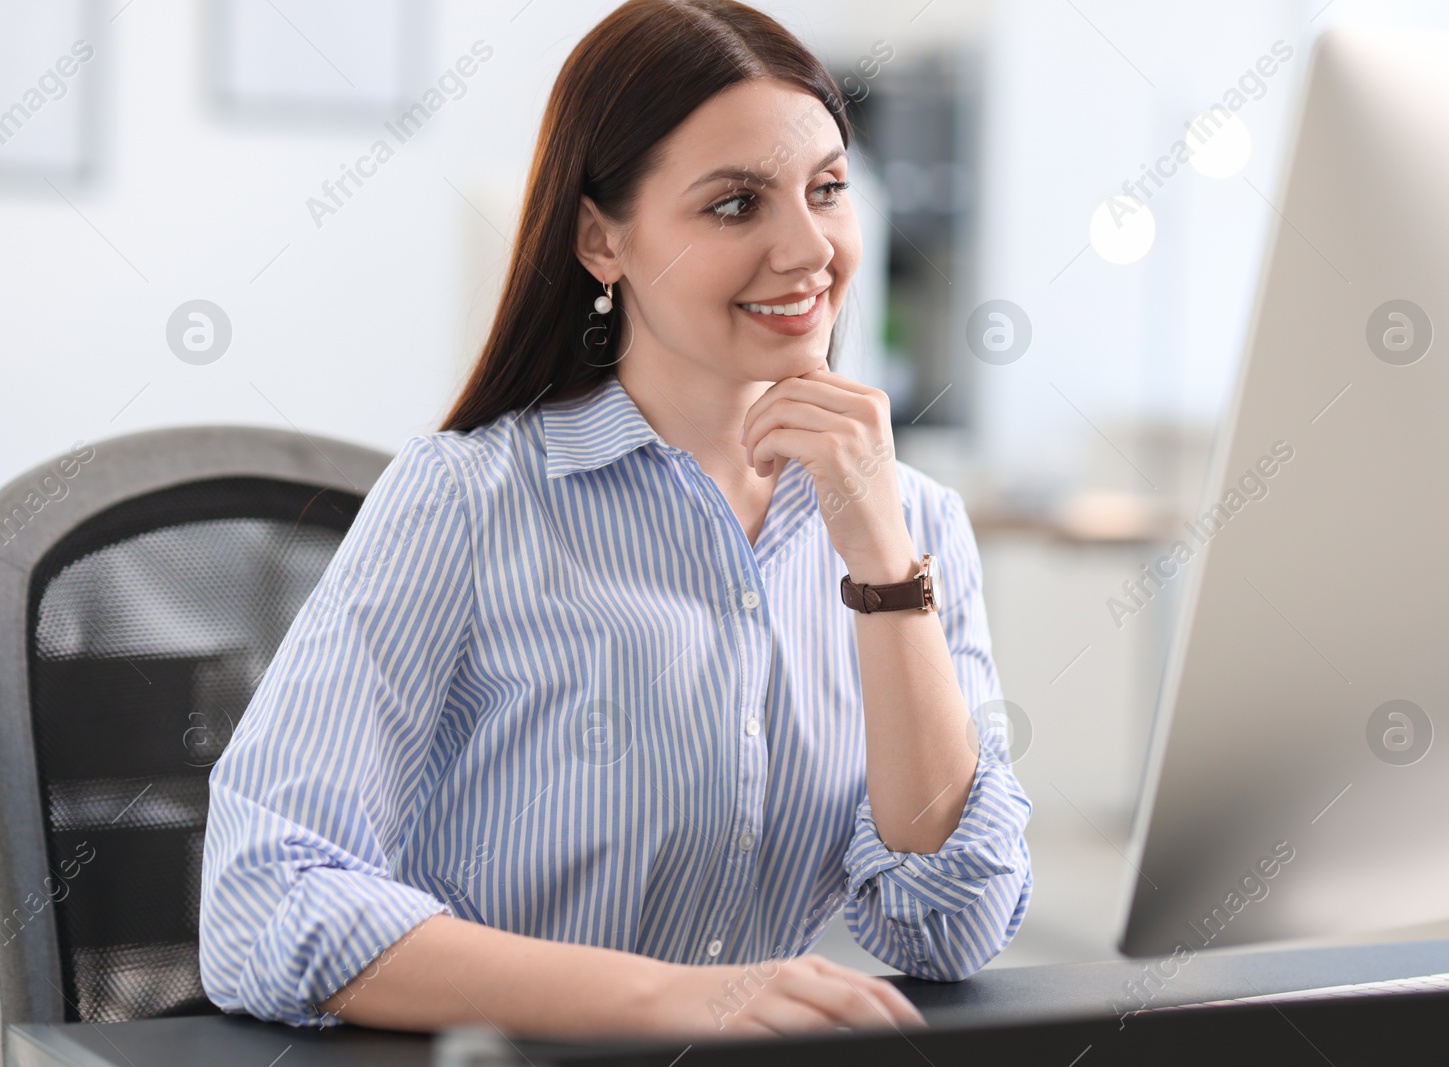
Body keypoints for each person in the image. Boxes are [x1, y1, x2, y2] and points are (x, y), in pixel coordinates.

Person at [198, 0, 1032, 1042]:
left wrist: (880, 566)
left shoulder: (911, 524)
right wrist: (672, 999)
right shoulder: (467, 500)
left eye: (826, 189)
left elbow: (945, 927)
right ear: (602, 237)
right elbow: (265, 899)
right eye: (735, 205)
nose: (809, 247)